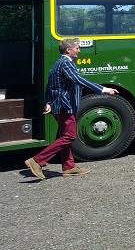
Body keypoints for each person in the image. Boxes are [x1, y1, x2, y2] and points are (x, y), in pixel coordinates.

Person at [24, 38, 118, 180]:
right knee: (70, 136)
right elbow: (78, 80)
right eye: (77, 48)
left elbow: (51, 84)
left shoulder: (58, 63)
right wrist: (103, 89)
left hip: (59, 104)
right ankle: (37, 161)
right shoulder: (66, 64)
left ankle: (69, 167)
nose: (79, 51)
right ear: (68, 50)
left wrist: (48, 101)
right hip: (65, 105)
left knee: (65, 136)